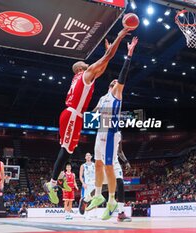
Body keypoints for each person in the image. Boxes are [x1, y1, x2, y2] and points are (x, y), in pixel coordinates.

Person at [43, 23, 133, 205]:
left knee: (68, 149)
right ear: (79, 69)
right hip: (72, 115)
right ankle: (52, 183)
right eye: (85, 63)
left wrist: (107, 57)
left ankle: (58, 178)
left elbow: (102, 65)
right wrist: (121, 35)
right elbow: (106, 59)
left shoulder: (84, 77)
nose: (88, 63)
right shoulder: (84, 74)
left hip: (72, 115)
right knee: (65, 149)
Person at [86, 37, 138, 220]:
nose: (117, 81)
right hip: (100, 133)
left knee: (109, 167)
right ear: (110, 85)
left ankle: (112, 201)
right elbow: (92, 115)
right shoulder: (103, 98)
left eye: (118, 82)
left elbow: (123, 75)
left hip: (110, 134)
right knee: (99, 164)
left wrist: (129, 55)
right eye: (114, 81)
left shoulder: (117, 93)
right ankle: (99, 194)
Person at [79, 153, 96, 219]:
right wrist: (83, 183)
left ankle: (94, 213)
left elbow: (97, 174)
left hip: (94, 184)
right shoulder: (83, 166)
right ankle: (87, 214)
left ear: (91, 157)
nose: (88, 156)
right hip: (87, 185)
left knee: (94, 199)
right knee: (86, 199)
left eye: (89, 155)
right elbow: (80, 176)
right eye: (87, 155)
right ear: (85, 157)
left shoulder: (94, 165)